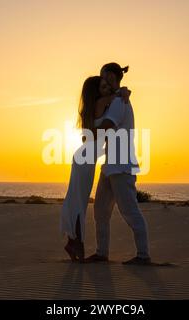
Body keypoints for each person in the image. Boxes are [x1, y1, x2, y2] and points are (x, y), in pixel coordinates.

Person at [86, 63, 152, 265]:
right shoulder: (115, 99)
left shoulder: (119, 103)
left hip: (121, 166)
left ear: (112, 76)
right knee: (100, 211)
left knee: (130, 211)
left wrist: (88, 132)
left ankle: (143, 256)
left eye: (103, 76)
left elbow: (106, 126)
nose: (101, 80)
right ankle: (101, 253)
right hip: (110, 166)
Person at [61, 76, 131, 262]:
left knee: (77, 201)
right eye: (103, 85)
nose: (107, 88)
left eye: (108, 85)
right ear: (96, 90)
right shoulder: (103, 101)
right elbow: (118, 95)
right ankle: (76, 243)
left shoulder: (90, 108)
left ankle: (74, 242)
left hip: (84, 158)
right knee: (79, 203)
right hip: (85, 160)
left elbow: (89, 138)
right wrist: (123, 91)